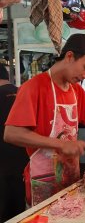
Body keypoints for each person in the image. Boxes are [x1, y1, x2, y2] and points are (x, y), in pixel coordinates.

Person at [4, 34, 85, 206]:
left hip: (71, 181)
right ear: (69, 56)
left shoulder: (76, 91)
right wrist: (61, 144)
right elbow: (11, 133)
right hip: (43, 183)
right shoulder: (33, 87)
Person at [0, 64, 28, 221]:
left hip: (3, 165)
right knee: (22, 210)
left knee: (6, 212)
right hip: (26, 161)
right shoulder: (22, 92)